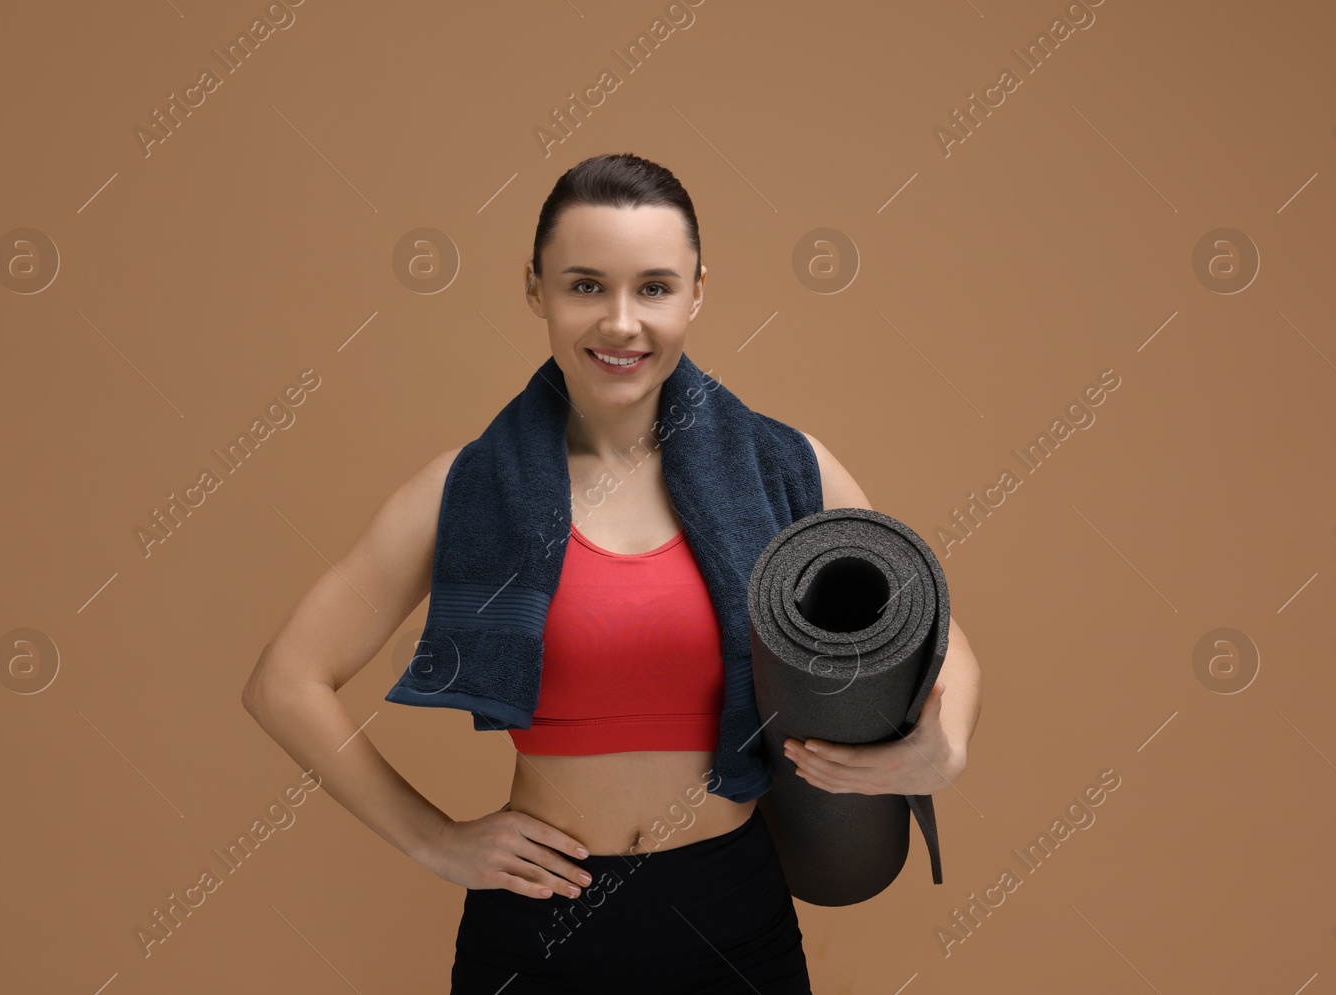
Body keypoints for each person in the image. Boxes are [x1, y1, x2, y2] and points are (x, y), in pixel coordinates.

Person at [241, 152, 982, 991]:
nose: (621, 323)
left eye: (655, 288)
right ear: (536, 290)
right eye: (585, 285)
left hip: (732, 915)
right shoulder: (466, 488)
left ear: (698, 291)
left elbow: (938, 635)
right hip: (535, 926)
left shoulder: (785, 466)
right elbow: (285, 682)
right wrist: (435, 838)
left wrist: (943, 748)